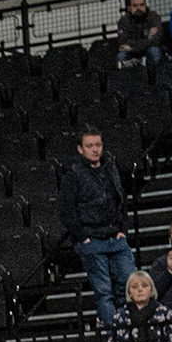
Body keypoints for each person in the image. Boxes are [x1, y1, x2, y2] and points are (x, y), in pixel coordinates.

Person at [58, 126, 136, 326]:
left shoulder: (110, 167)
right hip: (92, 239)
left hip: (114, 237)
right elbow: (66, 209)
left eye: (98, 145)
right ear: (80, 149)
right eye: (90, 145)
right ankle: (116, 337)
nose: (95, 149)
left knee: (129, 282)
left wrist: (122, 230)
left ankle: (123, 324)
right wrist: (82, 236)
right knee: (104, 291)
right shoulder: (73, 174)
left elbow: (121, 200)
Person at [116, 0, 164, 66]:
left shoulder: (154, 17)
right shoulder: (123, 21)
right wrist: (148, 39)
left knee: (154, 51)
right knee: (121, 56)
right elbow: (123, 41)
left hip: (145, 49)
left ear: (145, 6)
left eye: (141, 5)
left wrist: (133, 48)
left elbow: (155, 40)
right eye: (135, 5)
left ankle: (157, 77)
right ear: (129, 8)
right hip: (131, 52)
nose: (139, 8)